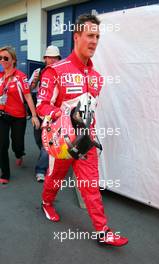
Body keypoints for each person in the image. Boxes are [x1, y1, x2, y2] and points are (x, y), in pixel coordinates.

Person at [37, 14, 128, 247]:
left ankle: (102, 231)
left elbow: (90, 111)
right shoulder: (55, 70)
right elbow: (41, 106)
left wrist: (91, 133)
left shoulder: (97, 78)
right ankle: (47, 202)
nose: (94, 41)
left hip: (85, 141)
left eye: (97, 36)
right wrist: (62, 115)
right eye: (90, 35)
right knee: (55, 178)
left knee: (90, 185)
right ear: (76, 36)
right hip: (62, 141)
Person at [0, 46, 40, 184]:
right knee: (2, 144)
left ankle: (19, 153)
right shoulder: (0, 77)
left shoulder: (20, 77)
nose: (2, 60)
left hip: (18, 116)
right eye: (0, 58)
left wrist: (34, 116)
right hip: (2, 116)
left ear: (13, 60)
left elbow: (28, 97)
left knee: (17, 144)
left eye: (6, 58)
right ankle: (5, 174)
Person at [29, 45, 62, 182]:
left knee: (46, 144)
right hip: (39, 111)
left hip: (52, 113)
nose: (52, 60)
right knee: (38, 139)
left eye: (55, 57)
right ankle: (46, 156)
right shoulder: (38, 71)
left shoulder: (62, 72)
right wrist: (35, 80)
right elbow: (29, 88)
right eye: (50, 57)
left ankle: (41, 169)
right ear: (45, 59)